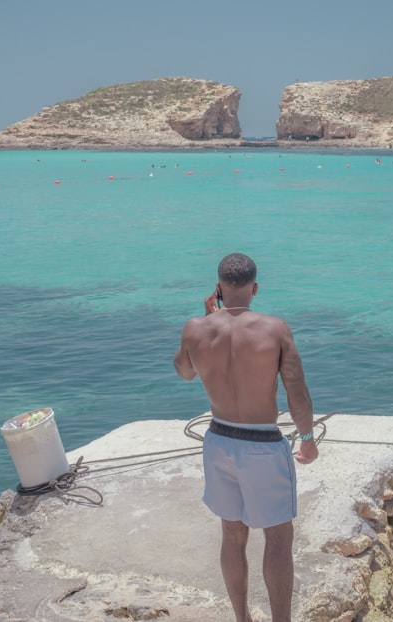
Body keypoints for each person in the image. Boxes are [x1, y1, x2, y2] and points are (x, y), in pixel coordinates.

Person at [174, 253, 318, 622]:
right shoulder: (275, 329)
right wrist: (306, 437)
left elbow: (184, 372)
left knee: (232, 534)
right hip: (263, 445)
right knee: (278, 538)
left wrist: (207, 321)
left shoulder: (195, 327)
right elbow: (296, 390)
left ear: (219, 288)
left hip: (219, 439)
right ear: (254, 288)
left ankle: (242, 618)